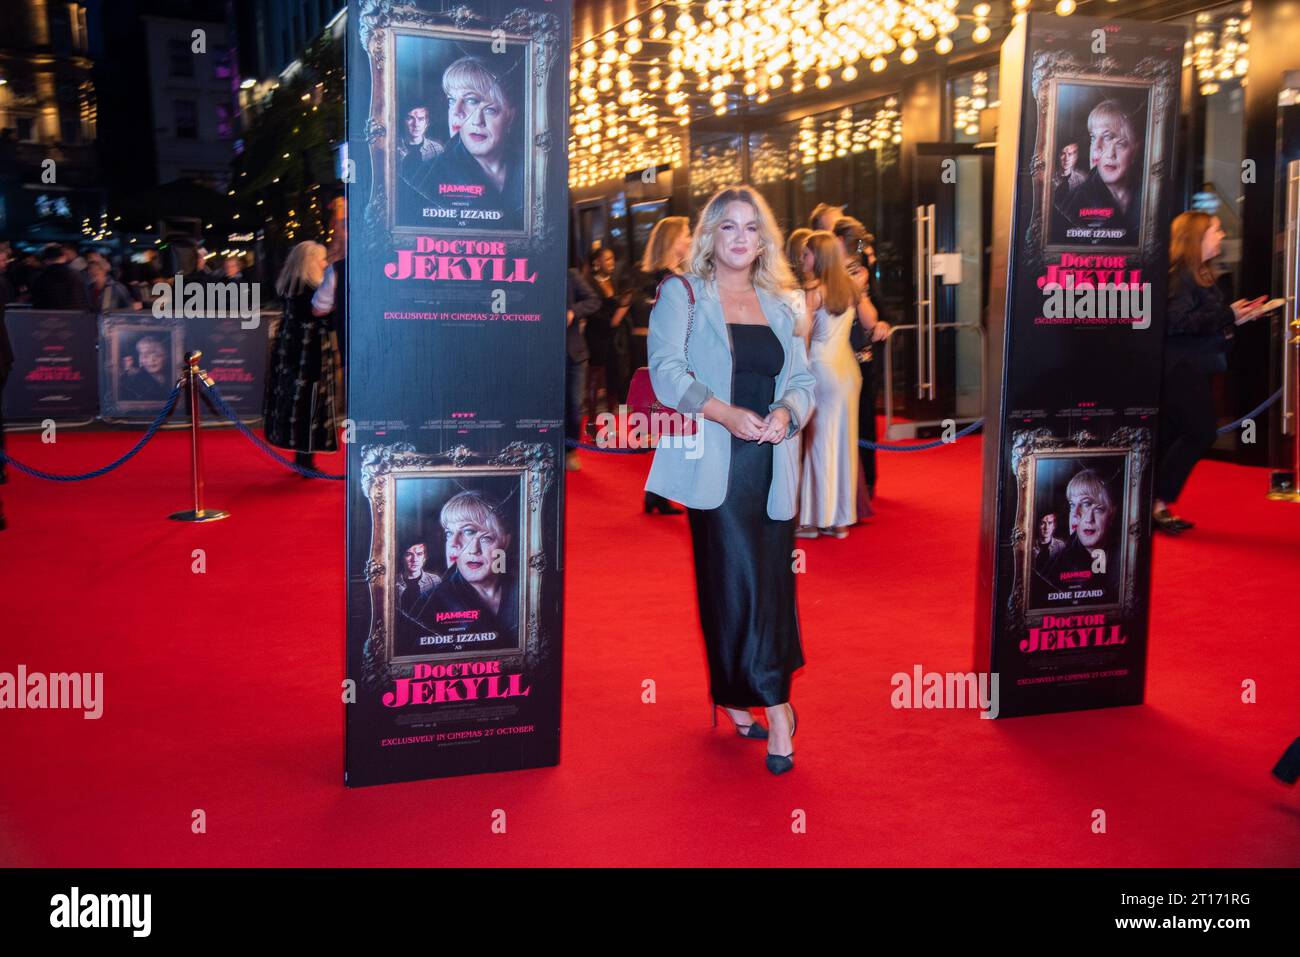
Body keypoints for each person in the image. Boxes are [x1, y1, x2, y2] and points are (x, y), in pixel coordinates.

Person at [645, 184, 816, 775]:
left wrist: (788, 413)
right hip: (715, 461)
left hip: (772, 460)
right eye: (729, 227)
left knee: (771, 584)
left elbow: (803, 380)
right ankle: (739, 691)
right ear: (710, 236)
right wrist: (725, 412)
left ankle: (775, 706)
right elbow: (667, 374)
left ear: (763, 239)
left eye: (752, 228)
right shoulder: (683, 293)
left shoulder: (781, 302)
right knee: (727, 582)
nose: (741, 238)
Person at [1154, 212, 1268, 532]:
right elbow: (1176, 324)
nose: (1221, 236)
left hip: (1193, 367)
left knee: (1175, 434)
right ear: (1197, 237)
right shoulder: (1180, 275)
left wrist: (1236, 316)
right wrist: (1228, 313)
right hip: (1179, 369)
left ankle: (1155, 504)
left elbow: (1204, 320)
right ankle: (1158, 498)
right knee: (1201, 431)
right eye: (1216, 231)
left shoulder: (1200, 273)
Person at [796, 231, 862, 538]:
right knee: (844, 443)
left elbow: (803, 338)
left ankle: (814, 518)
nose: (802, 259)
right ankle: (840, 520)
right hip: (848, 369)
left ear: (818, 257)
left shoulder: (813, 291)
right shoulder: (850, 287)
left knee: (818, 443)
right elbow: (872, 321)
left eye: (806, 254)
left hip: (821, 368)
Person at [400, 491, 519, 653]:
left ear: (506, 540)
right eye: (449, 533)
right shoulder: (428, 604)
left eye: (469, 531)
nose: (454, 543)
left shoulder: (527, 590)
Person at [631, 216, 692, 515]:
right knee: (680, 427)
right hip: (672, 362)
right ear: (672, 240)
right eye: (686, 234)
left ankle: (657, 491)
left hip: (675, 361)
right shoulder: (664, 279)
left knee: (676, 428)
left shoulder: (673, 275)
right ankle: (662, 490)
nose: (690, 240)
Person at [421, 57, 523, 231]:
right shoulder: (428, 177)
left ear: (511, 116)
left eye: (472, 101)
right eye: (452, 101)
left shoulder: (532, 168)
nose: (456, 112)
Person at [265, 240, 339, 472]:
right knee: (311, 402)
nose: (325, 263)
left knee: (296, 402)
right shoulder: (310, 290)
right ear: (311, 262)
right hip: (309, 354)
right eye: (321, 259)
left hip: (288, 351)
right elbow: (323, 317)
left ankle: (302, 458)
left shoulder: (289, 286)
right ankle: (306, 459)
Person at [833, 216, 890, 501]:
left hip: (862, 354)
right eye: (856, 241)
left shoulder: (861, 270)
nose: (860, 246)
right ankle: (848, 485)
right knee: (841, 422)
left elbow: (876, 309)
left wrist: (883, 322)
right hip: (835, 355)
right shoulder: (827, 271)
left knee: (865, 419)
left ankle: (867, 483)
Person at [1051, 100, 1144, 246]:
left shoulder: (1149, 193)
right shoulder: (1070, 205)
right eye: (1093, 137)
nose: (1096, 148)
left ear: (1136, 148)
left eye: (1109, 137)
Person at [1042, 469, 1118, 602]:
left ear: (1112, 513)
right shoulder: (1056, 564)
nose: (1076, 514)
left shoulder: (1125, 553)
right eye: (1072, 505)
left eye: (1087, 504)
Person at [582, 246, 631, 430]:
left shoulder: (613, 281)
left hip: (613, 337)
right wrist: (614, 317)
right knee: (595, 378)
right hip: (596, 336)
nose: (611, 263)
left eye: (612, 259)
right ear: (597, 262)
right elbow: (592, 311)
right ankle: (593, 422)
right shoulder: (588, 283)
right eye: (607, 259)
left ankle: (610, 423)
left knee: (613, 377)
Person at [565, 267, 600, 471]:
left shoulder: (571, 275)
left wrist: (574, 311)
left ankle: (571, 450)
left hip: (575, 353)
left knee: (575, 406)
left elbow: (594, 300)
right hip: (545, 353)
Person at [29, 243, 92, 311]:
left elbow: (38, 303)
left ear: (46, 260)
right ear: (63, 257)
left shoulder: (40, 277)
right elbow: (84, 299)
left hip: (48, 318)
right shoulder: (76, 275)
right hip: (75, 316)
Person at [120, 336, 172, 402]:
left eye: (157, 355)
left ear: (164, 358)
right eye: (146, 356)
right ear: (140, 359)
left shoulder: (171, 378)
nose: (152, 360)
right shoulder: (134, 383)